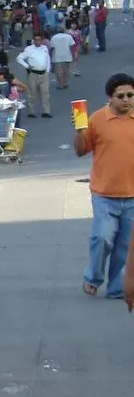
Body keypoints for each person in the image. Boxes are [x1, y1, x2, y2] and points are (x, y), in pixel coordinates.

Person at [74, 73, 134, 299]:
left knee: (125, 246)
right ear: (110, 97)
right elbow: (80, 150)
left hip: (132, 195)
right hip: (104, 194)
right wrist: (80, 132)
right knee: (102, 238)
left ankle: (117, 288)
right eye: (121, 96)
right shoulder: (97, 120)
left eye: (130, 95)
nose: (126, 100)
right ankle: (93, 277)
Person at [16, 34, 53, 118]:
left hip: (44, 74)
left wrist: (47, 70)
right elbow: (19, 58)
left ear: (41, 40)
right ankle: (31, 111)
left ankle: (46, 111)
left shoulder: (44, 48)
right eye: (36, 40)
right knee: (31, 93)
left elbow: (48, 59)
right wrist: (27, 66)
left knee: (45, 93)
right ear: (33, 40)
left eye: (39, 40)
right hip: (33, 74)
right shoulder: (29, 49)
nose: (37, 41)